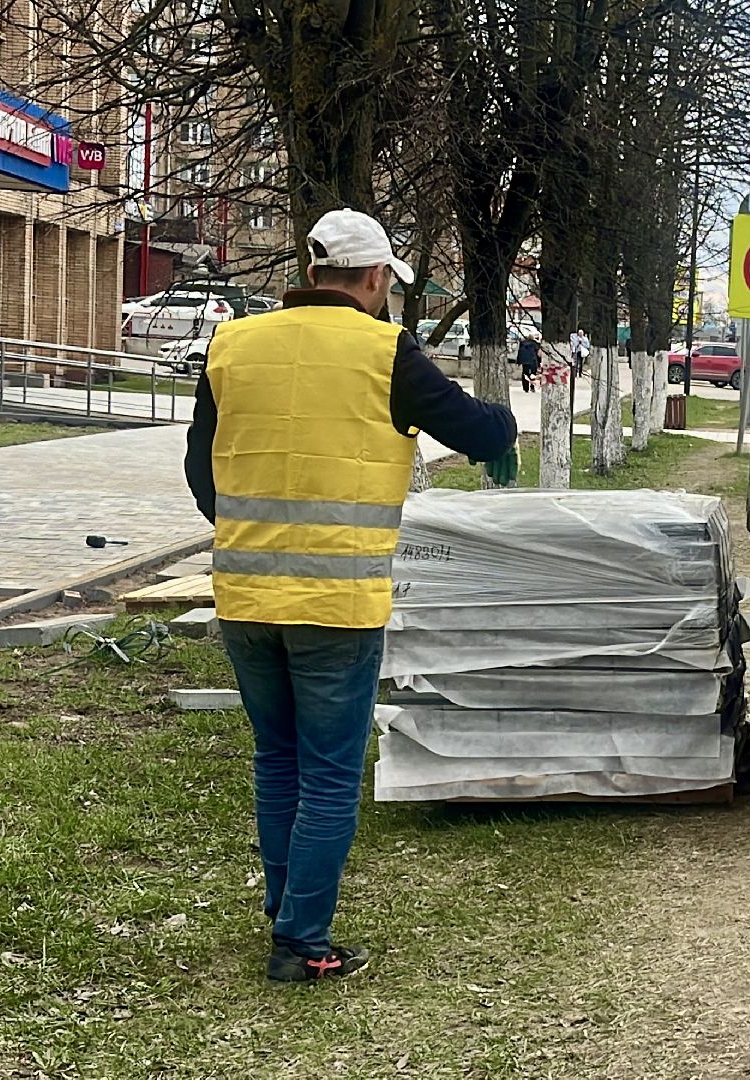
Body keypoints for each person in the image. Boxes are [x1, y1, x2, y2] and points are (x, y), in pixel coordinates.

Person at [183, 207, 518, 984]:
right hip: (337, 605)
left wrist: (255, 532)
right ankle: (303, 941)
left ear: (312, 271)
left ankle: (286, 910)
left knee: (277, 758)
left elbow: (202, 472)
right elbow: (480, 433)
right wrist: (506, 420)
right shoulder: (383, 350)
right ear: (374, 278)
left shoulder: (232, 343)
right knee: (331, 773)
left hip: (244, 596)